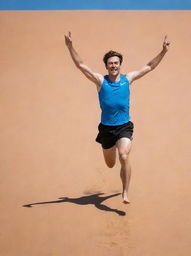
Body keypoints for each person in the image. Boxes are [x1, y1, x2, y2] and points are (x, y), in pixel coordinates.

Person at [64, 32, 170, 203]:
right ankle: (110, 148)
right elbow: (81, 65)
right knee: (110, 163)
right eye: (110, 63)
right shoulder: (100, 81)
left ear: (120, 64)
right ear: (106, 66)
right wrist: (70, 47)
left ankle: (125, 193)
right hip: (106, 129)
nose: (113, 65)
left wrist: (163, 51)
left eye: (116, 63)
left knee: (124, 156)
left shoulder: (128, 79)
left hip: (124, 127)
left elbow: (149, 66)